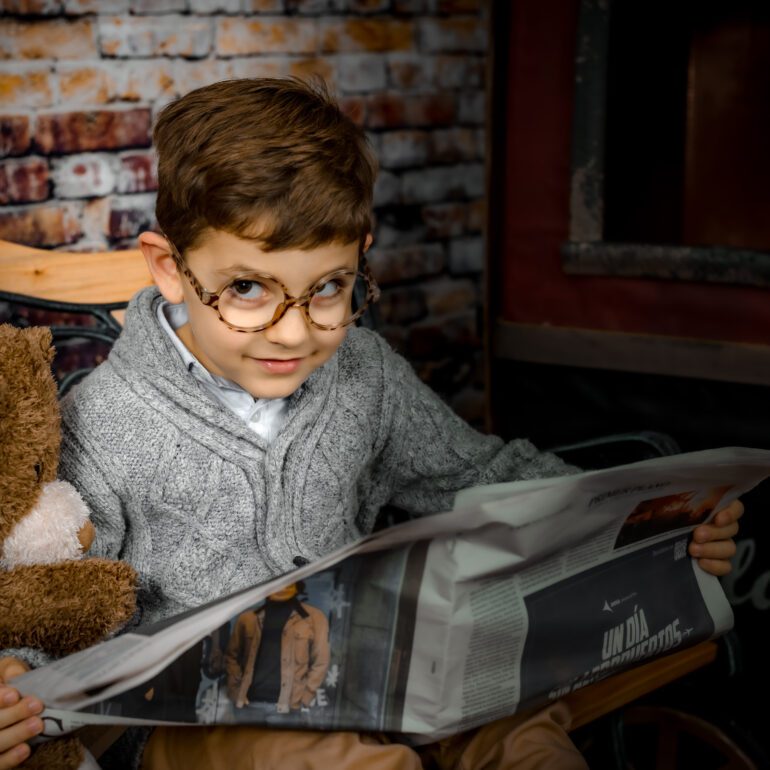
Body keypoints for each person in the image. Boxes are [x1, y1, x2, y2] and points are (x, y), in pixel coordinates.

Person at [0, 77, 742, 770]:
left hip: (371, 668)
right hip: (201, 722)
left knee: (521, 735)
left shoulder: (364, 374)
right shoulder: (103, 422)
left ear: (360, 257)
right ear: (169, 268)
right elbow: (52, 608)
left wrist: (648, 527)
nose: (294, 333)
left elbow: (481, 475)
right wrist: (12, 679)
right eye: (248, 289)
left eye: (329, 288)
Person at [225, 582, 330, 718]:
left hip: (288, 708)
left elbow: (321, 661)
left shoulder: (314, 618)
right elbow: (231, 656)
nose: (282, 586)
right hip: (248, 704)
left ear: (297, 583)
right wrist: (235, 689)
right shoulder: (247, 618)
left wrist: (305, 695)